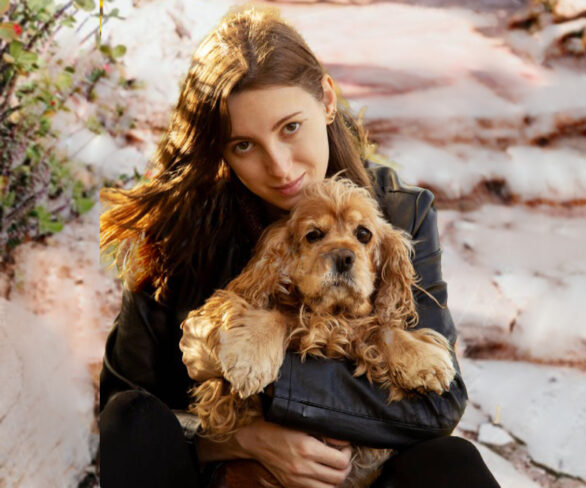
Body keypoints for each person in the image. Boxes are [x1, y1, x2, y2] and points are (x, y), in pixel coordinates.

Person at [98, 5, 500, 488]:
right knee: (130, 419)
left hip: (357, 478)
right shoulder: (181, 230)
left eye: (291, 127)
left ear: (326, 101)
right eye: (243, 145)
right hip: (232, 477)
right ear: (220, 151)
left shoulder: (400, 215)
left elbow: (438, 405)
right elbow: (127, 406)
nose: (281, 167)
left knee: (451, 462)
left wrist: (282, 386)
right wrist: (243, 439)